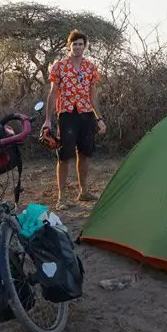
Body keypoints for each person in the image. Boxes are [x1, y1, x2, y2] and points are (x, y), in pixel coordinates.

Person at [42, 29, 106, 210]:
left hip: (86, 115)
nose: (77, 47)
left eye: (80, 44)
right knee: (63, 157)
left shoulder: (90, 68)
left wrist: (99, 118)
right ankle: (61, 197)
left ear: (84, 47)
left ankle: (83, 191)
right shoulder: (59, 66)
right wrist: (48, 120)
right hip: (67, 115)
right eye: (74, 44)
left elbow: (93, 96)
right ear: (68, 46)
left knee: (84, 154)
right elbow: (53, 93)